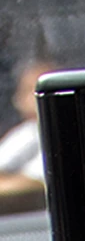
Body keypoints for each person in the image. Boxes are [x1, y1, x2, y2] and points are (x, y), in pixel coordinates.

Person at [0, 60, 54, 210]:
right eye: (25, 91)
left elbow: (35, 186)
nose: (28, 100)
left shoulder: (58, 135)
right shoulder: (27, 132)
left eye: (35, 91)